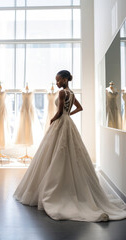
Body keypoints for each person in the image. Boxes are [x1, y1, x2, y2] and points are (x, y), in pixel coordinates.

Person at [14, 70, 126, 222]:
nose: (57, 83)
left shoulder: (62, 93)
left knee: (54, 153)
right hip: (68, 123)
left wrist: (52, 120)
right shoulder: (71, 93)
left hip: (61, 123)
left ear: (65, 79)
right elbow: (79, 108)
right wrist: (68, 116)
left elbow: (60, 111)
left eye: (58, 80)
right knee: (70, 153)